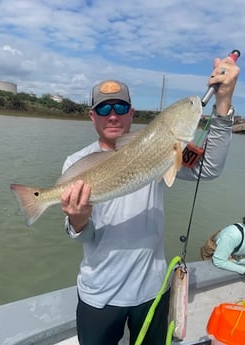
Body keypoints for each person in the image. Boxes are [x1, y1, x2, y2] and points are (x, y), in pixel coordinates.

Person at [60, 55, 240, 345]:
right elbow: (83, 236)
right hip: (99, 294)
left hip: (152, 291)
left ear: (132, 113)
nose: (113, 115)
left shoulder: (161, 149)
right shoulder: (77, 162)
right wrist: (77, 220)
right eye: (104, 108)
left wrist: (223, 102)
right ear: (92, 116)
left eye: (120, 107)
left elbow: (210, 168)